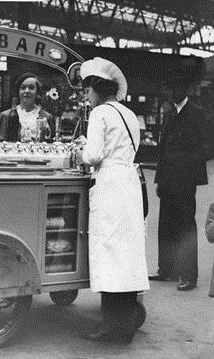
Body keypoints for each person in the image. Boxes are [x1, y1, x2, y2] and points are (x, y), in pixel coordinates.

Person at [74, 57, 149, 343]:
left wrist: (80, 149)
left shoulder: (100, 114)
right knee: (126, 256)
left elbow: (93, 155)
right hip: (128, 185)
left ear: (95, 87)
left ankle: (110, 327)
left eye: (86, 90)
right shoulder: (129, 114)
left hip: (109, 186)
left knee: (109, 254)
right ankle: (125, 325)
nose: (85, 96)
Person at [149, 61, 213, 291]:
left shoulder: (198, 114)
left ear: (185, 90)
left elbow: (208, 148)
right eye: (170, 88)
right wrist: (158, 178)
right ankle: (166, 270)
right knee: (166, 226)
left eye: (177, 88)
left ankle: (188, 276)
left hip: (185, 181)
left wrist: (185, 164)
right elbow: (163, 149)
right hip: (167, 181)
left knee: (185, 227)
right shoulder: (169, 114)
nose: (172, 92)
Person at [0, 72, 55, 142]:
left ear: (37, 91)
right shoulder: (5, 116)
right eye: (23, 88)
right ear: (18, 91)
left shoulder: (46, 117)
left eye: (31, 87)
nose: (27, 91)